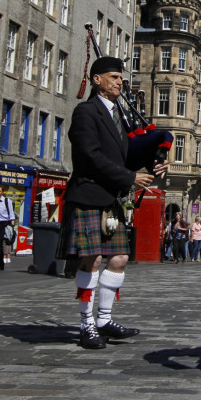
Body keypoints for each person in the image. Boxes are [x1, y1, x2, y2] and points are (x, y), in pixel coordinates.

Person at [55, 56, 168, 349]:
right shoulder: (85, 113)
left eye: (121, 78)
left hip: (110, 197)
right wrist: (129, 177)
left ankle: (104, 320)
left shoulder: (119, 114)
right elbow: (90, 156)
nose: (120, 82)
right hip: (89, 193)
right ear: (97, 80)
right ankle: (86, 325)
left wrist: (154, 160)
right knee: (91, 260)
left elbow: (126, 154)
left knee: (119, 259)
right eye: (114, 76)